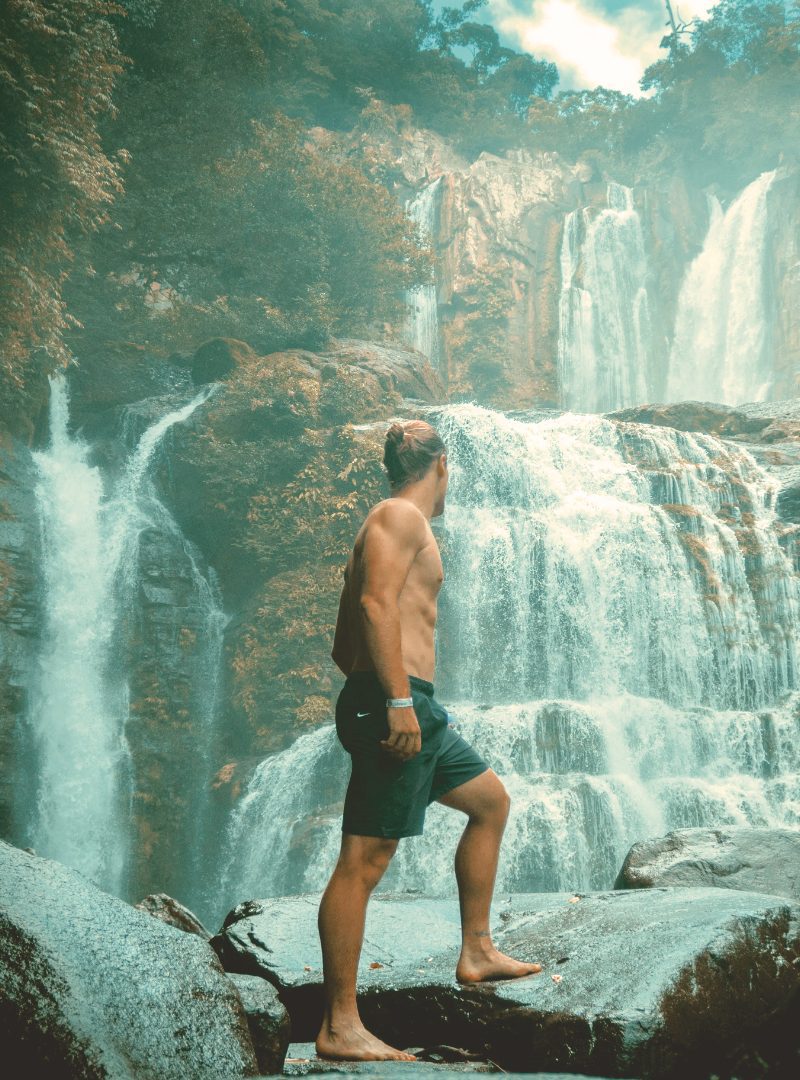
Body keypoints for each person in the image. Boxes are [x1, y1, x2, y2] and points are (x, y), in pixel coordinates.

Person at [315, 418, 542, 1063]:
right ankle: (339, 1025)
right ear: (442, 465)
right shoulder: (399, 517)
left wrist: (392, 695)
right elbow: (374, 608)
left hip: (412, 704)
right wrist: (392, 701)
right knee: (365, 858)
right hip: (400, 703)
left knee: (490, 803)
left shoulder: (381, 523)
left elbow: (342, 640)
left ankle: (477, 950)